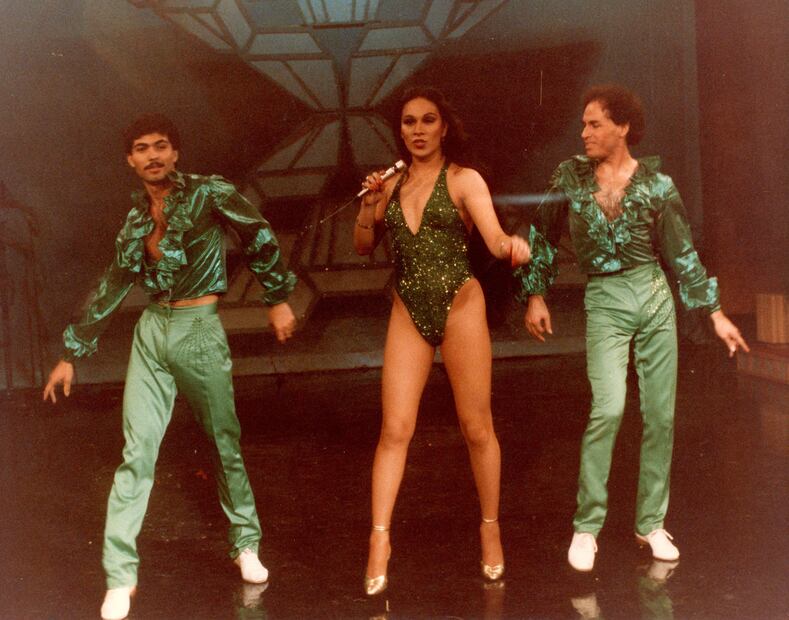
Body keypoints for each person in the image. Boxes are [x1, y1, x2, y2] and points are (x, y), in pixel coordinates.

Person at [42, 114, 297, 620]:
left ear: (175, 153)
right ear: (130, 160)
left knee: (223, 442)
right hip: (152, 334)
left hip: (198, 328)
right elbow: (115, 283)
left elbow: (258, 233)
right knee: (137, 452)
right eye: (142, 148)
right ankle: (120, 576)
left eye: (161, 146)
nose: (153, 155)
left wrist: (277, 297)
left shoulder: (208, 193)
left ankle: (245, 543)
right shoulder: (136, 220)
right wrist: (72, 353)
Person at [519, 85, 749, 572]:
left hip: (652, 295)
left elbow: (681, 254)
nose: (584, 133)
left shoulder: (657, 185)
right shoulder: (570, 176)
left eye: (595, 124)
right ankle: (587, 526)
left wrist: (715, 313)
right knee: (608, 408)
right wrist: (536, 294)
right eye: (583, 124)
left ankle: (650, 523)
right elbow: (542, 233)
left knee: (660, 416)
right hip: (605, 298)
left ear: (622, 127)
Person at [354, 86, 531, 595]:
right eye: (409, 121)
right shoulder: (390, 184)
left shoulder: (463, 180)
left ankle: (490, 529)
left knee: (477, 428)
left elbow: (493, 239)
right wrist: (369, 205)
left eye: (428, 120)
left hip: (460, 308)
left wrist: (512, 247)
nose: (417, 130)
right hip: (408, 310)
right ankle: (379, 540)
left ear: (444, 127)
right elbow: (363, 244)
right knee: (395, 429)